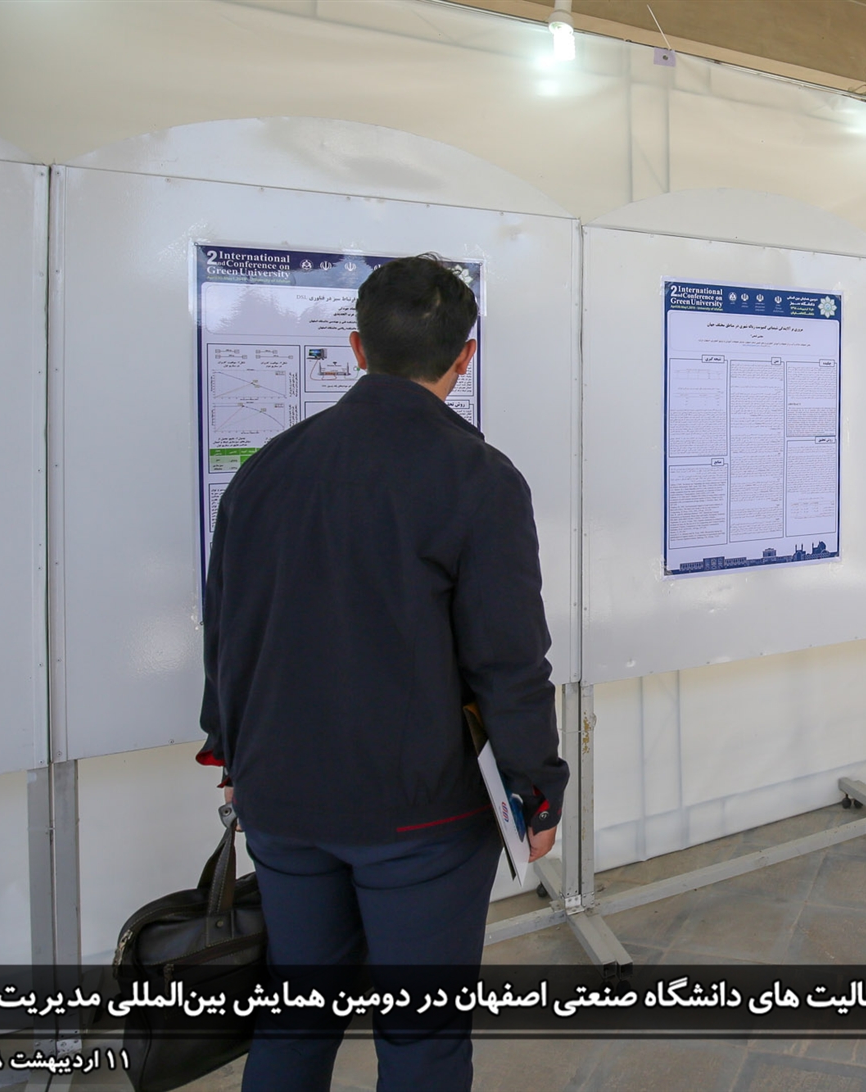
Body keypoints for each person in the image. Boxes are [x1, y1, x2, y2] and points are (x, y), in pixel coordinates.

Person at [197, 254, 568, 1090]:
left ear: (357, 348)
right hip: (419, 817)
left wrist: (229, 750)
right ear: (465, 356)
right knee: (421, 1039)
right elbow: (509, 659)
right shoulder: (479, 479)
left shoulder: (264, 470)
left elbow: (228, 629)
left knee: (296, 1021)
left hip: (280, 799)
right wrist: (537, 790)